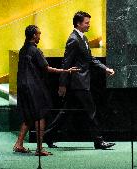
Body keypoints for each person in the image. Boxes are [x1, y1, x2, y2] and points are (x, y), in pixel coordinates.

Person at [13, 25, 79, 156]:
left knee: (29, 116)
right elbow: (47, 68)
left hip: (22, 86)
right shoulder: (35, 51)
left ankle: (19, 144)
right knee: (40, 115)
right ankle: (39, 148)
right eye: (38, 34)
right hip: (33, 87)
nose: (39, 37)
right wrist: (66, 70)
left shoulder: (22, 50)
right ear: (34, 36)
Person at [58, 11, 116, 149]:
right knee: (91, 111)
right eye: (87, 22)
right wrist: (62, 84)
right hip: (78, 82)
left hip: (79, 82)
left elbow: (90, 59)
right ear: (78, 23)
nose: (89, 25)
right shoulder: (73, 39)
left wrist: (104, 68)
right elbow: (66, 63)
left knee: (65, 112)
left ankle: (47, 135)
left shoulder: (82, 38)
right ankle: (99, 141)